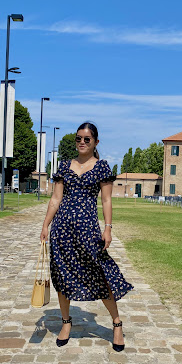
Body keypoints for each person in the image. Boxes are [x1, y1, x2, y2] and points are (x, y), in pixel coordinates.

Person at [40, 122, 133, 351]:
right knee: (62, 275)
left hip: (88, 230)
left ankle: (117, 323)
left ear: (95, 142)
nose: (82, 142)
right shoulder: (64, 166)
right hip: (62, 230)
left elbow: (106, 200)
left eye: (87, 139)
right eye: (78, 138)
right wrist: (46, 225)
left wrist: (108, 228)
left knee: (100, 274)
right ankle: (66, 323)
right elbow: (56, 198)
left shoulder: (101, 167)